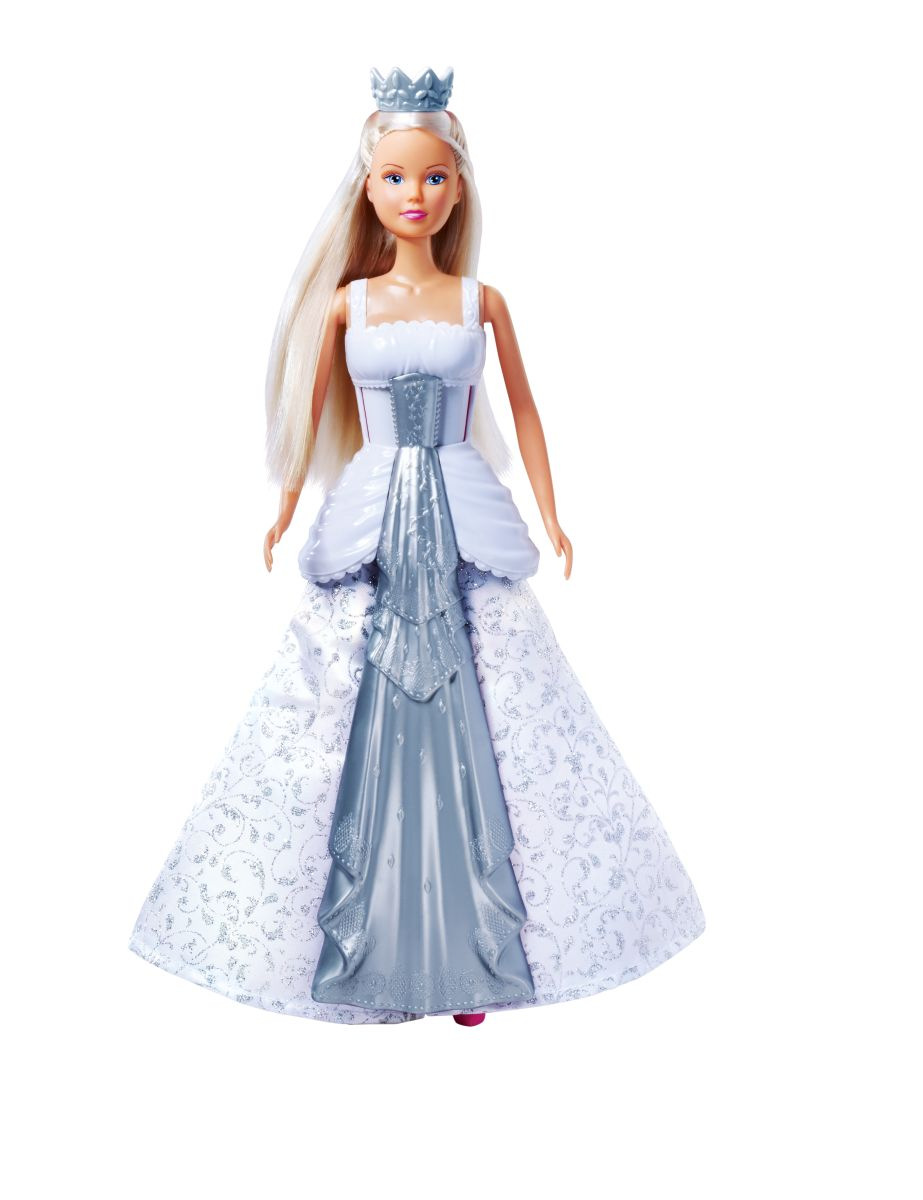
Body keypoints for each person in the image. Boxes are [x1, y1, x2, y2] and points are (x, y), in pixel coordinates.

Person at [128, 66, 706, 1026]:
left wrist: (552, 513)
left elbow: (524, 410)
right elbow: (304, 416)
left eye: (434, 177)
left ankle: (477, 956)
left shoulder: (483, 302)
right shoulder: (345, 306)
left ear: (458, 187)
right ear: (366, 187)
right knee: (335, 713)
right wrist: (283, 509)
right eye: (396, 177)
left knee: (500, 712)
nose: (415, 195)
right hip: (371, 521)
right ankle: (360, 955)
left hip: (463, 515)